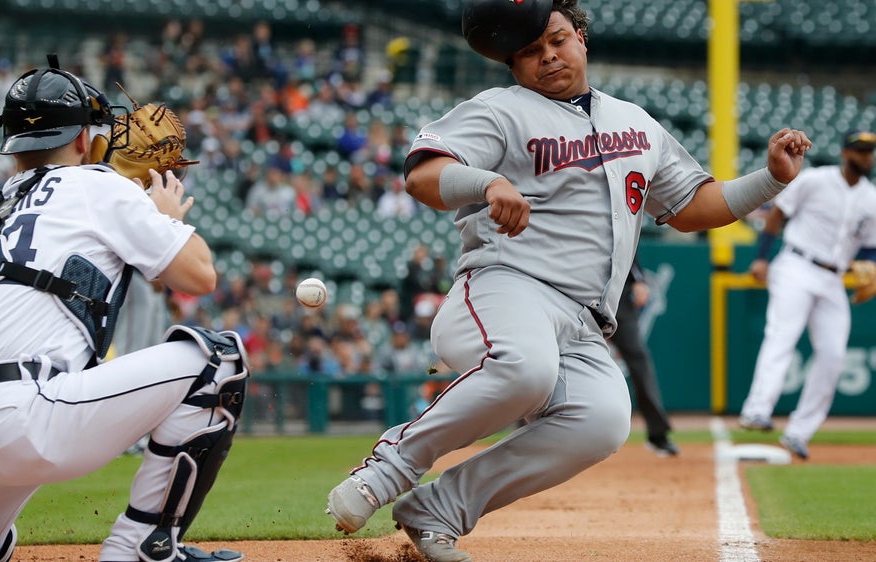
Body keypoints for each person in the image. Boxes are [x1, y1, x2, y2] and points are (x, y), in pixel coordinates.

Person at [324, 1, 811, 560]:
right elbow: (423, 175)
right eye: (529, 52)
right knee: (525, 368)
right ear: (513, 65)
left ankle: (441, 508)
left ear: (581, 36)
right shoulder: (500, 110)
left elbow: (692, 206)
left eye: (556, 39)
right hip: (504, 288)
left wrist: (770, 178)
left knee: (602, 420)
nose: (547, 57)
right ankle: (387, 470)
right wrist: (486, 182)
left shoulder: (635, 123)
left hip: (584, 321)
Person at [0, 60, 249, 562]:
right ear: (83, 139)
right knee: (218, 359)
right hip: (20, 416)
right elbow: (200, 276)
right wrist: (162, 217)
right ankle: (141, 546)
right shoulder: (97, 185)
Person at [738, 129, 876, 460]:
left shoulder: (872, 197)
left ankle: (799, 432)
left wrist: (870, 269)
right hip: (797, 265)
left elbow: (870, 247)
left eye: (870, 151)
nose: (866, 157)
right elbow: (777, 215)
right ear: (845, 153)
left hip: (834, 279)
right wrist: (761, 258)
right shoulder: (815, 180)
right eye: (859, 151)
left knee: (833, 357)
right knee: (781, 337)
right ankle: (756, 410)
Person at [610, 257, 677, 457]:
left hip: (617, 298)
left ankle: (658, 435)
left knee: (639, 360)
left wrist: (638, 279)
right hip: (579, 294)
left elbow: (625, 243)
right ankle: (528, 426)